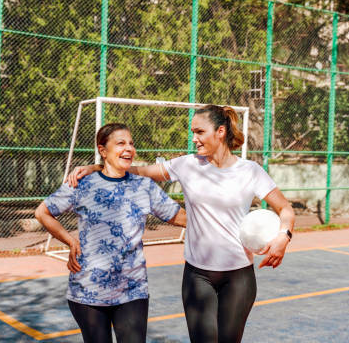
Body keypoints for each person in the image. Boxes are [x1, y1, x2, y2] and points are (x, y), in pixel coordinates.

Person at [67, 105, 296, 343]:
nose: (194, 138)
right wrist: (99, 167)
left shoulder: (250, 171)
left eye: (199, 132)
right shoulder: (187, 165)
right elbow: (141, 171)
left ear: (219, 132)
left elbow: (285, 209)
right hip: (198, 276)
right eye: (192, 132)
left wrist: (283, 237)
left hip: (238, 276)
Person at [35, 123, 186, 343]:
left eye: (131, 143)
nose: (129, 148)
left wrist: (228, 224)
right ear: (103, 150)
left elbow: (181, 217)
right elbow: (42, 212)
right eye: (121, 143)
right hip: (88, 291)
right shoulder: (82, 184)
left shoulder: (144, 186)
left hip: (132, 289)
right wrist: (70, 240)